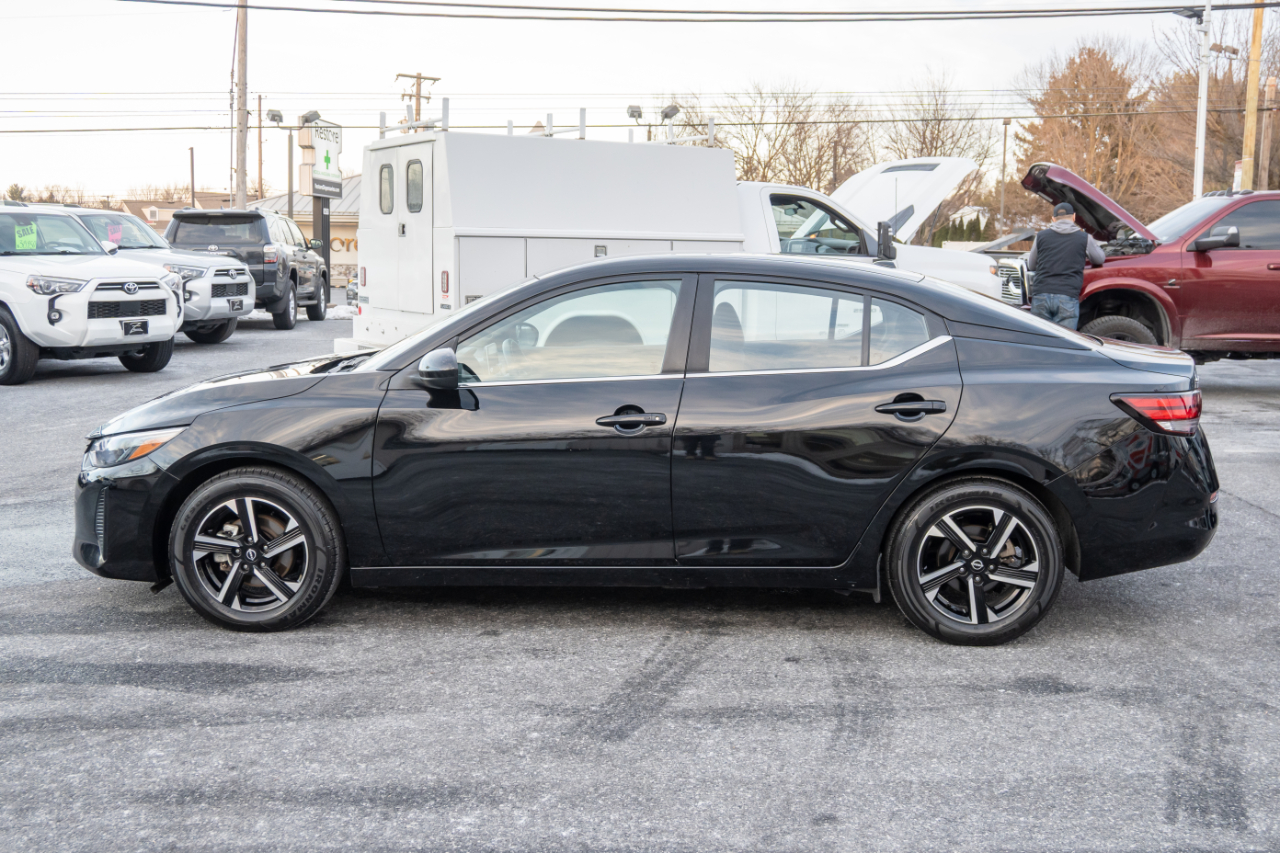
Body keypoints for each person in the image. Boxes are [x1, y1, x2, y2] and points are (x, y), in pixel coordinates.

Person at [1026, 202, 1105, 330]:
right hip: (1067, 296)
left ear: (1053, 219)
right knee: (1064, 339)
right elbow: (1099, 259)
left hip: (1041, 294)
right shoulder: (1084, 238)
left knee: (1039, 338)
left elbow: (1031, 265)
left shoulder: (1041, 236)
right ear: (1074, 217)